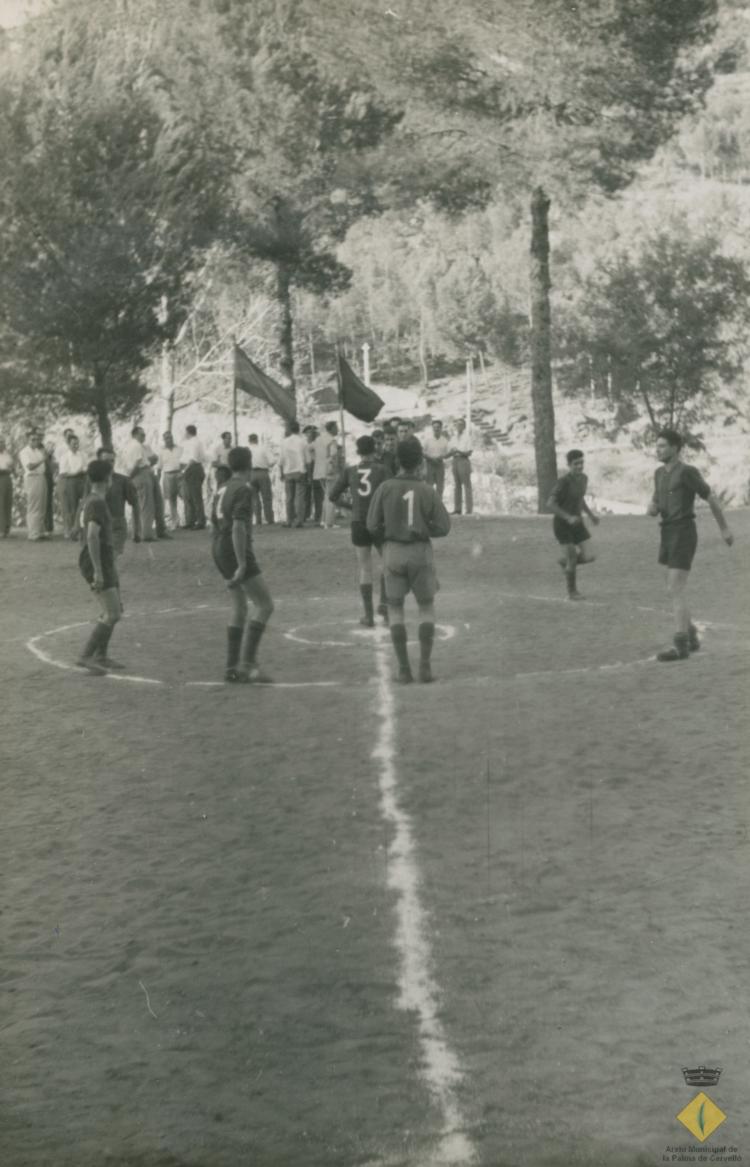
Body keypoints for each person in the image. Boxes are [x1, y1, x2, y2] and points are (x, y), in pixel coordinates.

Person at [367, 436, 451, 683]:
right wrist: (424, 529)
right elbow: (444, 527)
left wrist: (390, 534)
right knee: (426, 607)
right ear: (420, 462)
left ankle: (404, 669)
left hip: (393, 550)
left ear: (397, 461)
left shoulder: (385, 488)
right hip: (420, 552)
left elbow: (372, 524)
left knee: (395, 609)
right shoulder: (427, 490)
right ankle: (425, 667)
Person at [647, 428, 734, 662]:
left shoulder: (687, 472)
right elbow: (655, 501)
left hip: (684, 532)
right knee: (673, 587)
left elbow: (711, 498)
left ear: (676, 448)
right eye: (657, 446)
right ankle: (692, 633)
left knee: (675, 587)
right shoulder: (658, 473)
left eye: (663, 445)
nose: (658, 449)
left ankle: (681, 645)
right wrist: (652, 507)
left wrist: (724, 528)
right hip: (666, 532)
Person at [211, 446, 274, 683]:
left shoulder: (222, 487)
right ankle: (247, 663)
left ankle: (231, 667)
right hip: (233, 549)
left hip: (217, 547)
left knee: (239, 606)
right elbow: (238, 526)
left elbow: (214, 523)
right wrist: (241, 563)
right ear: (249, 465)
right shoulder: (244, 490)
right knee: (265, 604)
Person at [329, 435, 389, 627]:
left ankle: (368, 616)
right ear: (375, 449)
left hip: (358, 521)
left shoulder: (350, 471)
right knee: (387, 563)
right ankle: (385, 604)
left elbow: (333, 495)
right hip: (379, 521)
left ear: (358, 451)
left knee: (365, 567)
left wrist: (350, 505)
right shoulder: (383, 470)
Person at [76, 459, 123, 674]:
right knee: (112, 613)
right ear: (108, 478)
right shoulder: (97, 503)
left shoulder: (89, 500)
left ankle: (101, 656)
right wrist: (98, 570)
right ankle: (86, 656)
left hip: (101, 558)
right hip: (97, 559)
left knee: (114, 609)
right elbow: (93, 535)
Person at [547, 449, 600, 601]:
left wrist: (591, 515)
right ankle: (572, 592)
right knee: (572, 559)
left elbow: (580, 500)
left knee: (590, 556)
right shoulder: (563, 482)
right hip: (562, 524)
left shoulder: (583, 479)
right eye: (576, 464)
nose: (579, 466)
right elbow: (550, 503)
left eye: (581, 463)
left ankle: (565, 562)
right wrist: (567, 517)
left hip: (578, 523)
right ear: (569, 465)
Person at [97, 447, 142, 555]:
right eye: (105, 461)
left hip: (116, 526)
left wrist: (137, 530)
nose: (109, 464)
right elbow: (84, 503)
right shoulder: (92, 481)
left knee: (111, 557)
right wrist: (77, 525)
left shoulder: (123, 481)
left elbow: (135, 504)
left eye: (112, 461)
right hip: (97, 525)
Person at [122, 426, 156, 541]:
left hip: (134, 476)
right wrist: (131, 475)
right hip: (140, 474)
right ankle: (146, 534)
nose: (144, 437)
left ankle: (136, 533)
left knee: (137, 505)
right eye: (142, 435)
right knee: (146, 505)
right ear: (135, 435)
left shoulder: (127, 447)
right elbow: (137, 463)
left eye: (144, 434)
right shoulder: (136, 445)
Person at [19, 429, 48, 542]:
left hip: (41, 477)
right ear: (28, 440)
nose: (35, 441)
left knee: (41, 505)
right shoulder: (24, 452)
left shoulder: (38, 451)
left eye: (37, 439)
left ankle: (40, 531)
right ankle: (33, 533)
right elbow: (30, 466)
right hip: (32, 478)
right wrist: (43, 459)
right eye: (32, 439)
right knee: (34, 505)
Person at [279, 420, 309, 528]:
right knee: (299, 497)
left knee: (289, 497)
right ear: (298, 429)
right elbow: (308, 459)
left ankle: (289, 520)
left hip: (287, 471)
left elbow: (281, 459)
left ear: (290, 430)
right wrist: (308, 473)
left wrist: (281, 473)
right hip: (300, 471)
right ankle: (299, 520)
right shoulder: (303, 441)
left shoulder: (284, 442)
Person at [180, 424, 207, 530]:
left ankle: (200, 521)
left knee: (196, 496)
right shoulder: (190, 442)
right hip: (190, 468)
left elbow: (193, 459)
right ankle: (191, 520)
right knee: (189, 496)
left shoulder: (195, 442)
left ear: (188, 432)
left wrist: (184, 470)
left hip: (193, 469)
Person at [248, 434, 275, 525]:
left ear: (249, 440)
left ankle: (258, 519)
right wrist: (267, 465)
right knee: (266, 497)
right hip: (263, 472)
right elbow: (272, 461)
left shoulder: (247, 450)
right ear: (257, 440)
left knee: (254, 498)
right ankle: (269, 518)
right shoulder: (263, 448)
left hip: (251, 473)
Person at [158, 431, 183, 530]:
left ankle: (189, 519)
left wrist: (183, 472)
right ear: (164, 440)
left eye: (171, 437)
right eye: (167, 438)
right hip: (168, 474)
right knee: (172, 499)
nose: (169, 439)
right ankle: (175, 521)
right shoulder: (161, 451)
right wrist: (158, 478)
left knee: (184, 495)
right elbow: (159, 466)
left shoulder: (179, 449)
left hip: (179, 474)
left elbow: (184, 461)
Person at [320, 421, 342, 529]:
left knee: (326, 496)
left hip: (322, 470)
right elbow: (333, 455)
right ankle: (329, 522)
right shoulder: (332, 441)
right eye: (336, 427)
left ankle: (324, 520)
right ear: (332, 429)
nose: (338, 429)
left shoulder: (321, 439)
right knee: (332, 496)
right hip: (331, 471)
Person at [449, 418, 473, 515]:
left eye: (461, 424)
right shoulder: (453, 438)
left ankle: (469, 510)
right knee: (457, 485)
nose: (459, 426)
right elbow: (450, 450)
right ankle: (457, 509)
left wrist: (459, 451)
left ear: (464, 426)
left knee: (466, 485)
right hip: (455, 461)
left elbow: (469, 452)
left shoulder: (467, 437)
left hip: (464, 460)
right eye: (457, 424)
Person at [422, 419, 451, 499]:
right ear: (432, 428)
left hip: (439, 464)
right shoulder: (427, 439)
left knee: (440, 487)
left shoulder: (444, 440)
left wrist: (442, 457)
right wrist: (430, 458)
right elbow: (422, 452)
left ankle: (438, 506)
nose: (436, 429)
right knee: (429, 486)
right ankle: (428, 506)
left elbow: (447, 454)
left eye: (438, 427)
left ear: (441, 428)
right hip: (429, 464)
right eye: (434, 427)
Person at [0, 437, 14, 537]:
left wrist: (8, 470)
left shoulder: (7, 455)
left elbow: (12, 467)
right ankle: (1, 529)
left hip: (7, 478)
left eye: (3, 443)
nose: (2, 445)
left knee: (7, 502)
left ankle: (6, 529)